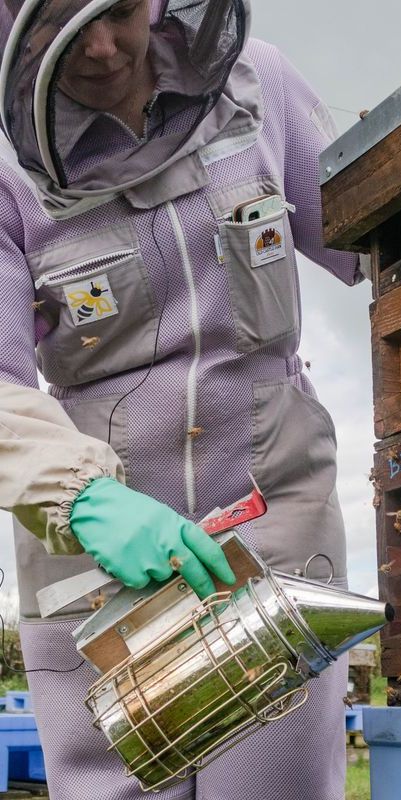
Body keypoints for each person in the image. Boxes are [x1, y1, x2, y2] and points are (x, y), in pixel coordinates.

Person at [0, 1, 366, 798]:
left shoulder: (259, 86)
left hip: (275, 537)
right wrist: (84, 496)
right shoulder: (3, 172)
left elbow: (386, 229)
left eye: (121, 8)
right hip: (96, 561)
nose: (99, 46)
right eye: (60, 19)